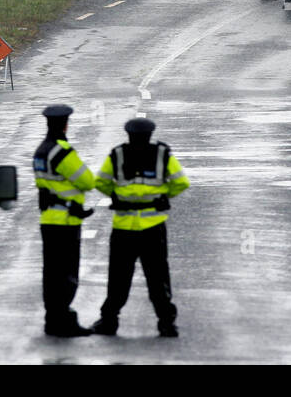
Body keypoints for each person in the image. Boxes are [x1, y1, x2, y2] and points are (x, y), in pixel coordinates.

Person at [92, 117, 190, 338]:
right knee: (157, 277)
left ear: (128, 134)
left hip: (123, 227)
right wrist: (163, 196)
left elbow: (100, 182)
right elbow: (181, 182)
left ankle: (109, 321)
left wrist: (116, 195)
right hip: (152, 227)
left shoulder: (117, 155)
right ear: (150, 134)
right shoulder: (162, 155)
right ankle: (166, 322)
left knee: (118, 278)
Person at [33, 104, 96, 337]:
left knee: (51, 273)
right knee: (67, 274)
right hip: (66, 221)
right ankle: (63, 320)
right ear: (65, 125)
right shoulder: (62, 151)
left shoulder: (40, 151)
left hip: (48, 219)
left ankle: (53, 319)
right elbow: (87, 181)